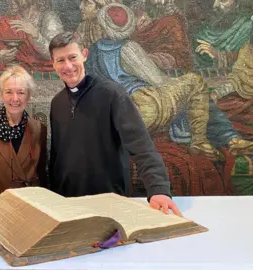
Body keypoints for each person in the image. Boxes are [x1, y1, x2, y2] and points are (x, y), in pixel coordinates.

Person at [47, 31, 181, 216]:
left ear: (84, 55)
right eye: (60, 60)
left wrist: (158, 189)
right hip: (69, 205)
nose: (68, 66)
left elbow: (142, 146)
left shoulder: (112, 94)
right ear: (53, 64)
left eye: (72, 57)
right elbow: (57, 157)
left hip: (110, 202)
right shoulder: (57, 103)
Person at [0, 65, 47, 198]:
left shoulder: (39, 129)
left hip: (32, 205)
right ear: (1, 95)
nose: (15, 98)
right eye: (9, 92)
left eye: (21, 92)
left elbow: (42, 174)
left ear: (28, 96)